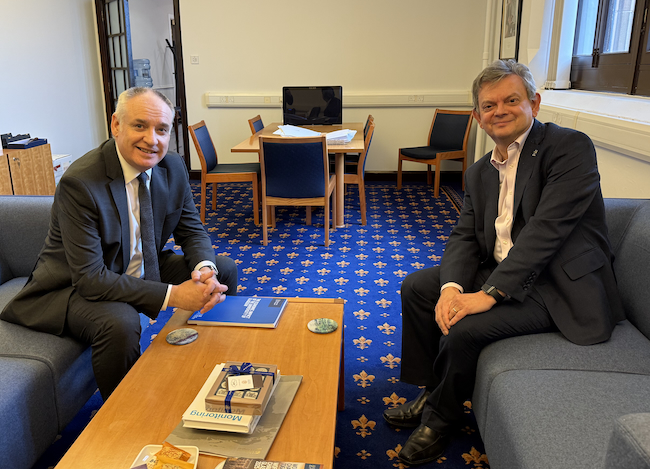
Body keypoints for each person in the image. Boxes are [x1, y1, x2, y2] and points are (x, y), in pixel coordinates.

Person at [383, 60, 624, 465]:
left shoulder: (569, 148)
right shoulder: (480, 171)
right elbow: (463, 235)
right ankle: (430, 389)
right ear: (478, 117)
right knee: (419, 288)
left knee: (465, 328)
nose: (500, 111)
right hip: (504, 269)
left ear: (535, 102)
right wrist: (453, 288)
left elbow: (546, 231)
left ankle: (440, 420)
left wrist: (489, 294)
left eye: (511, 100)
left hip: (558, 284)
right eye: (489, 105)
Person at [0, 87, 238, 400]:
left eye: (161, 129)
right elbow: (90, 278)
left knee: (223, 269)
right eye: (140, 125)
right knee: (121, 323)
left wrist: (204, 269)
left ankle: (206, 367)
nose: (152, 140)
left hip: (137, 266)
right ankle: (125, 412)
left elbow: (191, 230)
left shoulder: (173, 167)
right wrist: (175, 295)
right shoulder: (81, 183)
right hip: (70, 287)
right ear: (116, 125)